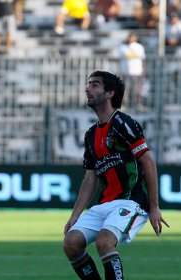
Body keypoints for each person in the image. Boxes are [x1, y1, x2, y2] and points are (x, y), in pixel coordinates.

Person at [63, 71, 169, 280]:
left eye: (94, 85)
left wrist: (154, 206)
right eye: (88, 84)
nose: (88, 89)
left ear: (110, 93)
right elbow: (90, 178)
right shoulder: (91, 134)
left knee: (104, 242)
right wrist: (75, 214)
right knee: (71, 242)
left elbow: (148, 161)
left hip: (131, 202)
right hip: (104, 204)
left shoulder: (123, 123)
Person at [117, 32, 146, 109]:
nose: (131, 39)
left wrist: (143, 69)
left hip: (136, 72)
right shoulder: (122, 47)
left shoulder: (139, 47)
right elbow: (120, 59)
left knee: (137, 88)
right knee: (124, 89)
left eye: (132, 37)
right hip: (125, 72)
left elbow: (142, 59)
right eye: (130, 37)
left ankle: (137, 104)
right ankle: (125, 104)